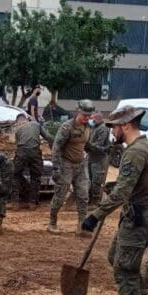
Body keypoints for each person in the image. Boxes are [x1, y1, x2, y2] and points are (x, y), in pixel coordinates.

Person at [81, 105, 148, 295]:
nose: (112, 131)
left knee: (124, 267)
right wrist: (114, 187)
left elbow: (123, 193)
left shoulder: (135, 152)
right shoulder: (146, 146)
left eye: (114, 126)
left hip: (138, 219)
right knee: (115, 256)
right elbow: (134, 184)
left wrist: (95, 216)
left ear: (125, 125)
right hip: (138, 215)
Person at [47, 99, 95, 236]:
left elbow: (85, 145)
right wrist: (56, 167)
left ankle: (81, 226)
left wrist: (101, 149)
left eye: (89, 115)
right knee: (61, 195)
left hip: (81, 165)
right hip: (66, 164)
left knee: (83, 195)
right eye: (84, 115)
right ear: (77, 112)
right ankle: (52, 222)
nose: (87, 118)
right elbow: (56, 147)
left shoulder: (87, 127)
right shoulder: (67, 127)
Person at [13, 113, 54, 209]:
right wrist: (54, 149)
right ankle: (32, 203)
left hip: (21, 152)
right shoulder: (36, 124)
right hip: (35, 152)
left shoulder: (17, 129)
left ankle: (15, 203)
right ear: (27, 119)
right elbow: (48, 136)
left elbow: (18, 144)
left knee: (16, 176)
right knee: (35, 177)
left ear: (18, 121)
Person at [86, 112, 111, 207]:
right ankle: (89, 200)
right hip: (91, 157)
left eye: (92, 119)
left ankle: (95, 202)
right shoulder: (94, 127)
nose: (90, 121)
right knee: (89, 180)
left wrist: (88, 145)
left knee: (96, 181)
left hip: (99, 159)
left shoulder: (103, 129)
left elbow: (98, 145)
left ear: (98, 119)